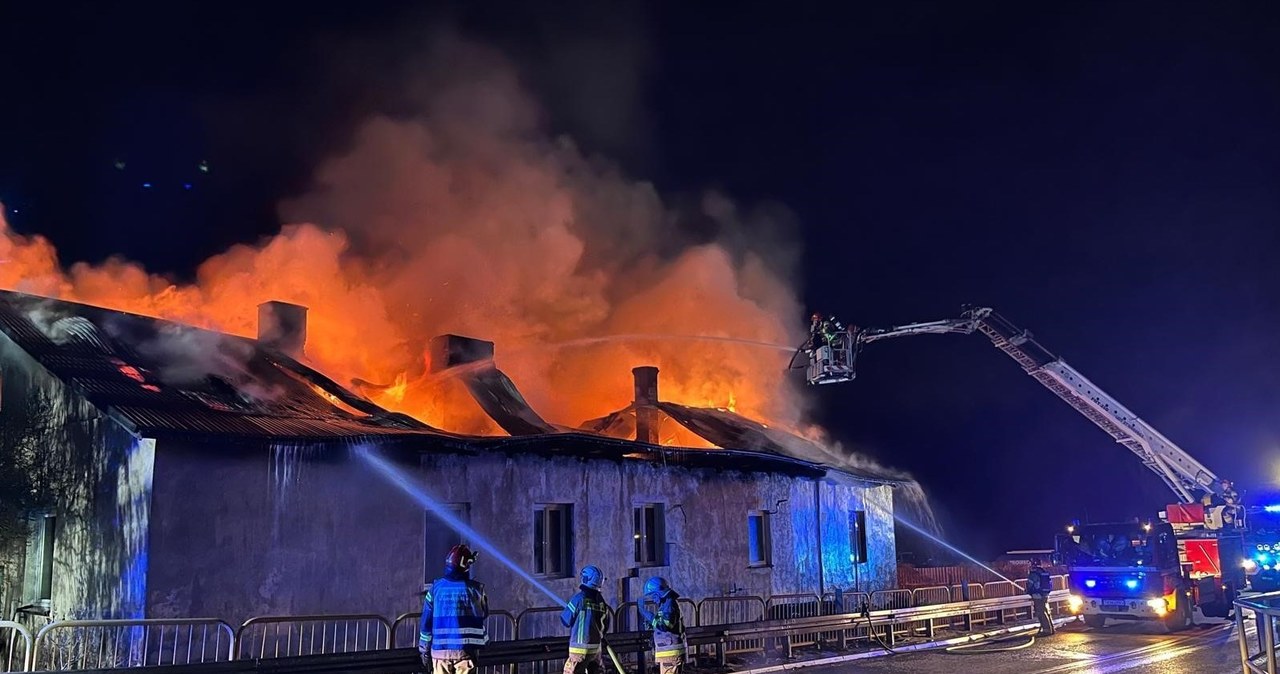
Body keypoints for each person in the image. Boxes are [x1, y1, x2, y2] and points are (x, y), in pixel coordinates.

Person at [419, 545, 489, 674]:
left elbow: (426, 622)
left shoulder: (435, 589)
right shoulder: (476, 590)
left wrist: (424, 648)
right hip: (465, 651)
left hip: (440, 651)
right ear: (466, 566)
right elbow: (483, 614)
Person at [561, 566, 612, 674]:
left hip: (579, 650)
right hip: (596, 649)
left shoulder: (579, 599)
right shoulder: (602, 603)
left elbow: (565, 620)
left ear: (585, 579)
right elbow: (606, 626)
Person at [638, 577, 686, 674]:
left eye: (652, 596)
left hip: (671, 654)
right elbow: (663, 623)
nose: (652, 599)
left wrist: (646, 613)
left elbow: (665, 626)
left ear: (658, 593)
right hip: (670, 654)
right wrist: (653, 625)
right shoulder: (665, 605)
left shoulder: (669, 605)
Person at [1027, 558, 1054, 636]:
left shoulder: (1033, 574)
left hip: (1037, 595)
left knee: (1040, 612)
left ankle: (1046, 630)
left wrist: (1028, 591)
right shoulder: (1043, 572)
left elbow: (1030, 585)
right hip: (1045, 595)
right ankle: (1051, 628)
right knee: (1045, 611)